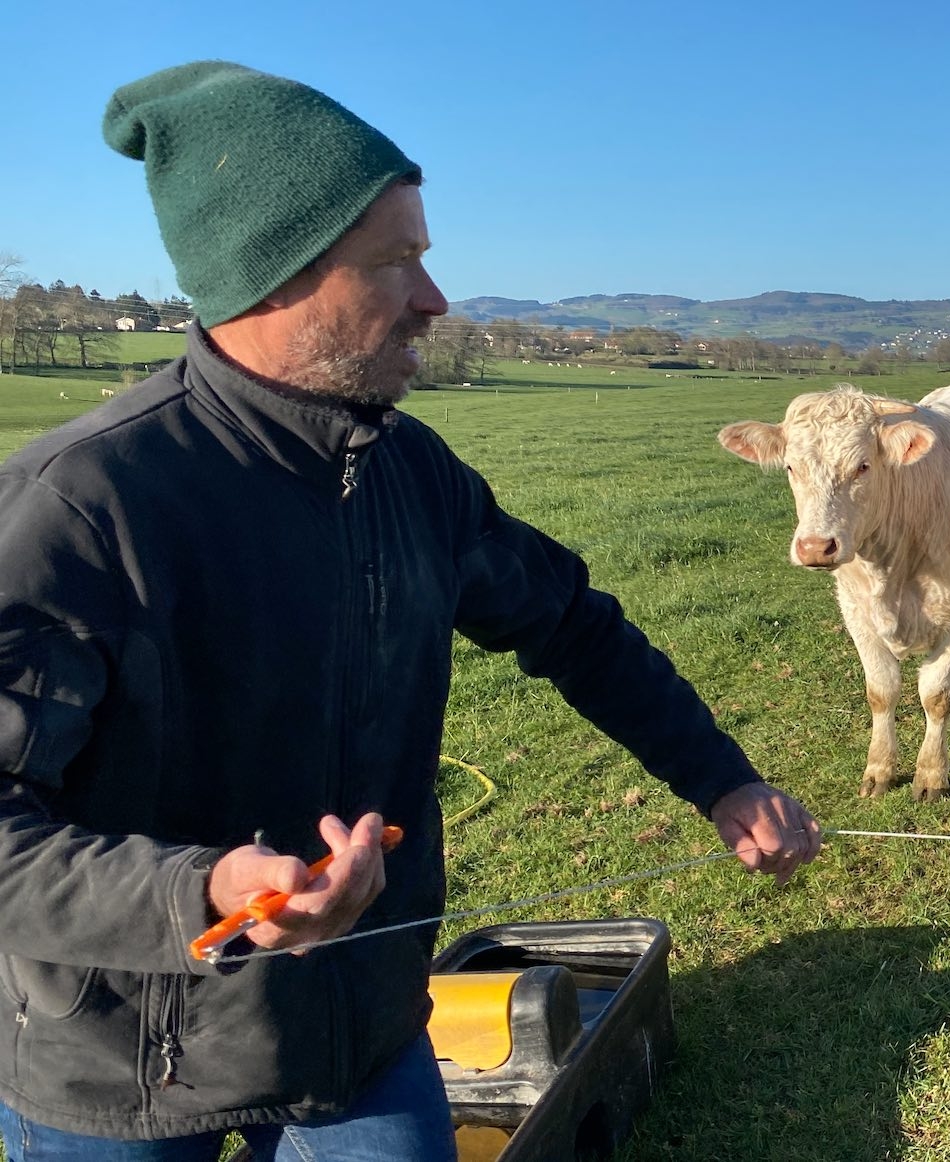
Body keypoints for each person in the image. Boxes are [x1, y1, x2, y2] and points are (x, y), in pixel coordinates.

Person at [0, 60, 822, 1159]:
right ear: (272, 277)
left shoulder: (410, 474)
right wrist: (204, 893)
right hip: (121, 1071)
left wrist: (721, 779)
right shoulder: (79, 506)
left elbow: (571, 624)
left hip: (364, 1034)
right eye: (395, 263)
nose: (435, 300)